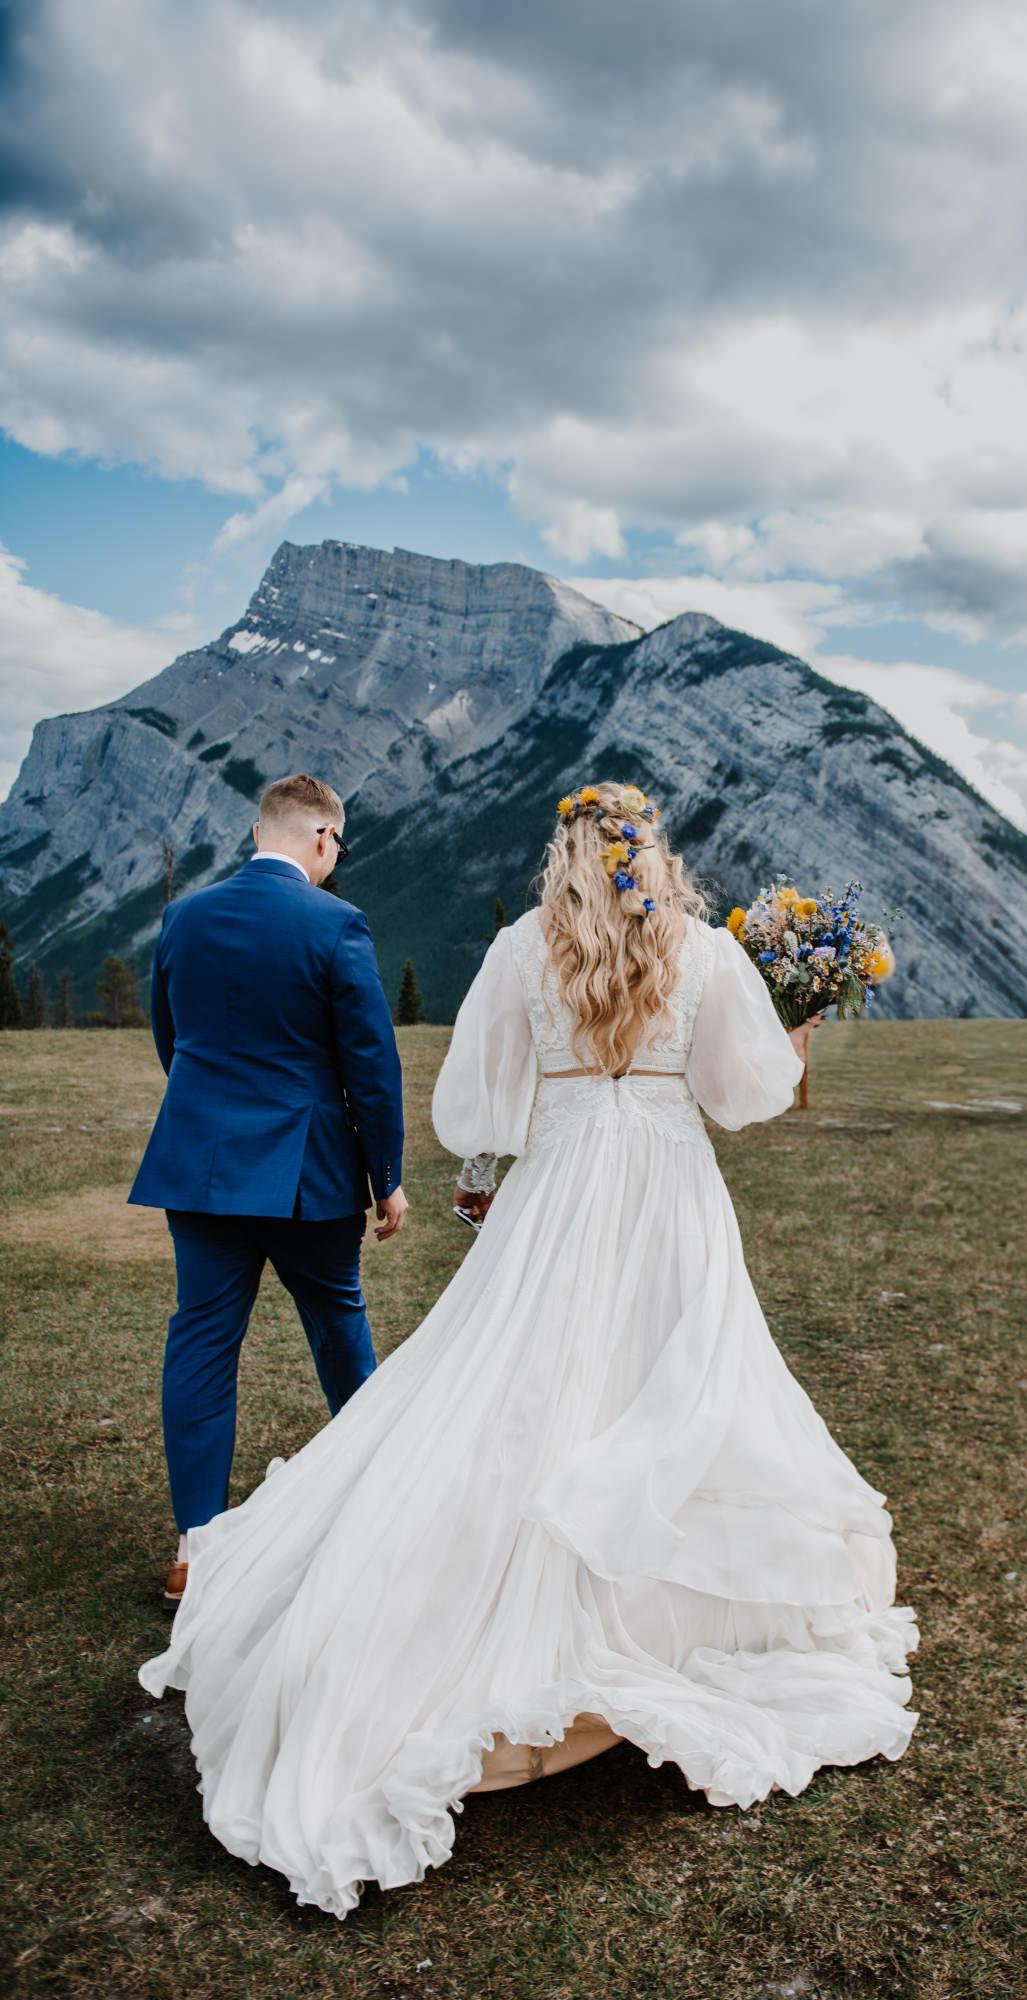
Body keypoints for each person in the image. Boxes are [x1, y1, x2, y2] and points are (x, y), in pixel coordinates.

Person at [139, 779, 917, 1918]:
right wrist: (790, 1038)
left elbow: (475, 1115)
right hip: (667, 1196)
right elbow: (743, 1094)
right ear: (651, 854)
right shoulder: (700, 949)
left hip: (554, 1198)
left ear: (563, 854)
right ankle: (665, 1605)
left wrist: (541, 1117)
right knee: (678, 1377)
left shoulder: (519, 946)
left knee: (513, 1381)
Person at [128, 773, 407, 1606]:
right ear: (323, 838)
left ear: (260, 831)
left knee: (202, 1341)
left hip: (202, 1167)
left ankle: (194, 1549)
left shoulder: (184, 917)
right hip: (306, 1173)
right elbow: (372, 1069)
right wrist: (385, 1179)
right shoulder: (335, 923)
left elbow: (170, 1039)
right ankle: (377, 1510)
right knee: (336, 1324)